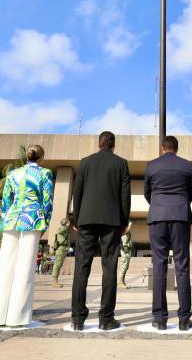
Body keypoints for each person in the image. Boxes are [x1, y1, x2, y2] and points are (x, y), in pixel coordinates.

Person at [0, 144, 53, 328]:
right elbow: (47, 201)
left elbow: (6, 200)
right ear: (41, 157)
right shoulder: (44, 173)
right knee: (25, 267)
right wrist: (45, 222)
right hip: (32, 218)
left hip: (11, 219)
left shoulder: (13, 174)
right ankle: (18, 317)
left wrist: (7, 217)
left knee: (5, 267)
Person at [70, 131, 130, 331]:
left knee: (81, 268)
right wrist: (123, 222)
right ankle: (106, 318)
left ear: (99, 143)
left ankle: (78, 319)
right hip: (111, 221)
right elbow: (125, 196)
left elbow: (77, 192)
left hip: (86, 220)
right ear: (114, 145)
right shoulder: (121, 163)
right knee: (109, 267)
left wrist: (76, 219)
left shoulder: (85, 162)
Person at [144, 135, 192, 331]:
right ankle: (184, 319)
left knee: (159, 266)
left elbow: (147, 192)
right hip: (180, 216)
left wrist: (158, 204)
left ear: (162, 148)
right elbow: (191, 193)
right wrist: (179, 204)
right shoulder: (187, 166)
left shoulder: (151, 165)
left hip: (157, 216)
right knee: (182, 265)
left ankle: (159, 318)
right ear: (176, 148)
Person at [50, 219, 70, 288]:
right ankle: (54, 281)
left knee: (59, 265)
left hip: (62, 249)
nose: (69, 224)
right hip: (61, 249)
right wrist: (65, 225)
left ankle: (55, 281)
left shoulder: (65, 229)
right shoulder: (63, 228)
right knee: (57, 265)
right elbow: (60, 231)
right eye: (68, 222)